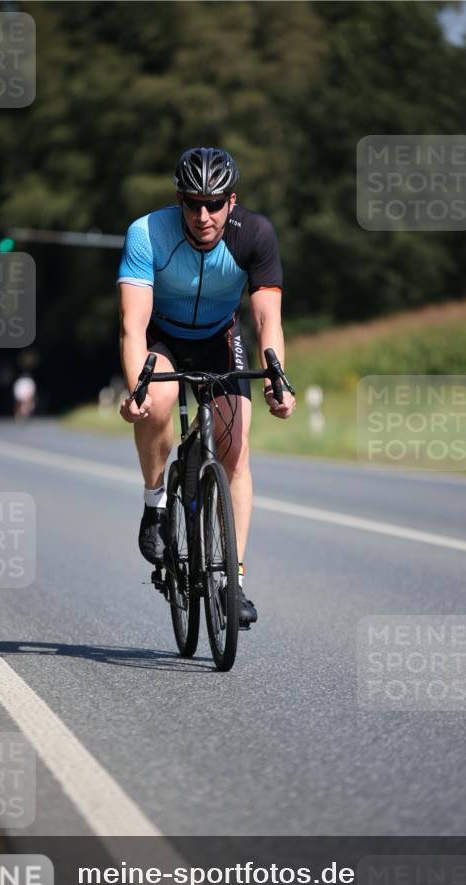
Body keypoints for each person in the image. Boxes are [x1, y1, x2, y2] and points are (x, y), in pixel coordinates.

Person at [117, 147, 296, 626]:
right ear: (178, 199)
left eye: (214, 203)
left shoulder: (255, 235)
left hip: (221, 338)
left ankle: (232, 582)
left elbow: (267, 321)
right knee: (158, 398)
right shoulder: (147, 233)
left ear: (231, 202)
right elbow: (132, 326)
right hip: (165, 337)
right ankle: (156, 501)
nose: (203, 216)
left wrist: (278, 378)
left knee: (234, 446)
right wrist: (137, 388)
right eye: (193, 203)